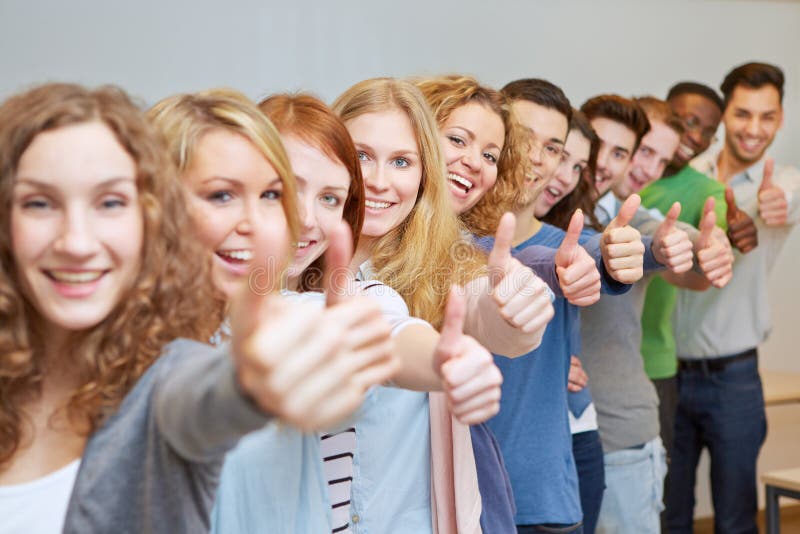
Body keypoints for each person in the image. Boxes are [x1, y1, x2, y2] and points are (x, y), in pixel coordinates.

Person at [0, 84, 398, 534]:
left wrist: (253, 384)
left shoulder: (170, 375)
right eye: (38, 203)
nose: (76, 241)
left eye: (110, 203)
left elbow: (205, 396)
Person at [668, 62, 800, 534]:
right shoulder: (687, 171)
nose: (754, 128)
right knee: (667, 516)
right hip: (665, 375)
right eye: (743, 114)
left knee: (735, 520)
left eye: (767, 117)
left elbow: (782, 203)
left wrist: (772, 206)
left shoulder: (783, 183)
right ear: (725, 115)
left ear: (780, 119)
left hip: (734, 380)